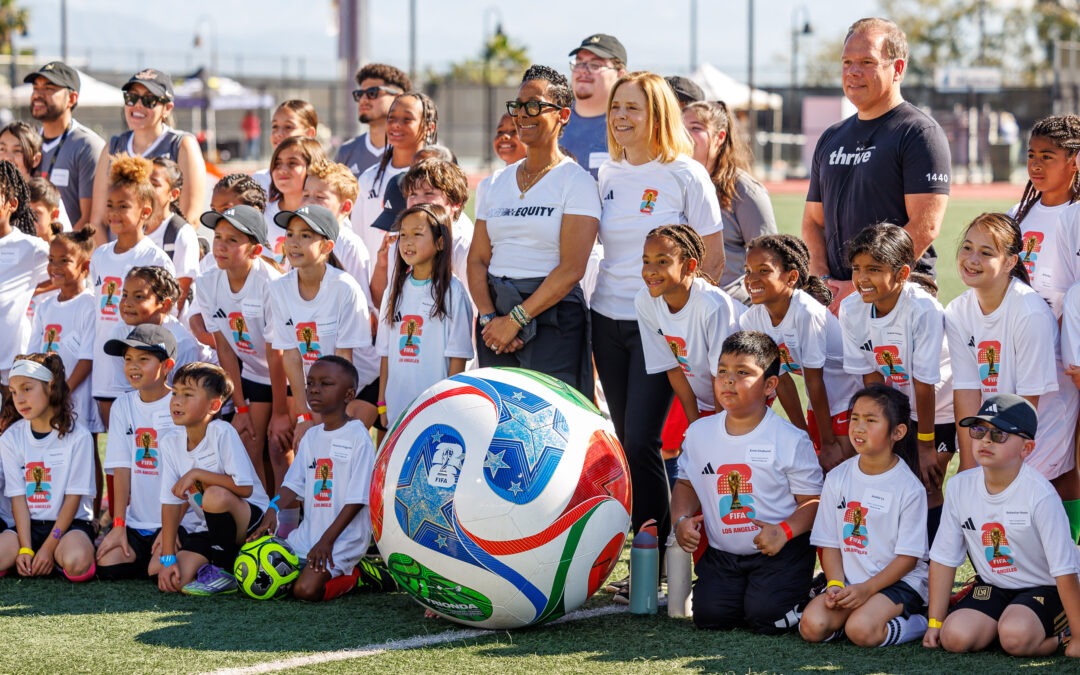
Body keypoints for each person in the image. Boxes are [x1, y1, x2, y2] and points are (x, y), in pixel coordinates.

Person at [592, 71, 725, 553]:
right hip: (605, 319)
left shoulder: (685, 173)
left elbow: (712, 260)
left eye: (633, 108)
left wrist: (680, 318)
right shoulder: (606, 173)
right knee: (625, 438)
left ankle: (659, 547)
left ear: (659, 115)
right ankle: (646, 545)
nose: (621, 117)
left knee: (642, 437)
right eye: (616, 107)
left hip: (659, 328)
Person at [671, 331, 823, 633]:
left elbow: (814, 502)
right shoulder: (699, 433)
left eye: (743, 373)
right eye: (723, 371)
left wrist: (783, 531)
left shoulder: (790, 439)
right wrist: (681, 520)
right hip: (723, 555)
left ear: (769, 385)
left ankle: (810, 591)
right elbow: (686, 484)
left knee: (768, 619)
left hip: (780, 551)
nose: (729, 380)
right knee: (711, 618)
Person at [945, 213, 1080, 540]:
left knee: (1024, 505)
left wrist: (1002, 451)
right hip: (997, 421)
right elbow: (966, 389)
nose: (971, 259)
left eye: (986, 252)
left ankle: (1065, 553)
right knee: (982, 490)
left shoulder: (1028, 311)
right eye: (967, 248)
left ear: (1010, 262)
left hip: (1041, 421)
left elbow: (1028, 402)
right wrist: (968, 461)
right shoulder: (958, 311)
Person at [802, 18, 951, 314]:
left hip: (897, 301)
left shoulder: (919, 133)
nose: (853, 71)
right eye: (847, 62)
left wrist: (863, 284)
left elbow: (925, 227)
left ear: (898, 68)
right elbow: (813, 222)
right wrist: (824, 283)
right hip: (836, 301)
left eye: (867, 62)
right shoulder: (831, 137)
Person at [468, 65, 599, 394]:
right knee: (500, 417)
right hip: (494, 318)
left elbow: (571, 268)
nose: (522, 114)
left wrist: (515, 320)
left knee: (549, 416)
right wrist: (490, 319)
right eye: (518, 105)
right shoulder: (494, 184)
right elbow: (477, 260)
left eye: (534, 105)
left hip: (552, 318)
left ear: (563, 115)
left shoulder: (577, 182)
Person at [923, 394, 1080, 658]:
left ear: (1026, 448)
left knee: (1015, 637)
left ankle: (1059, 635)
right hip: (993, 586)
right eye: (978, 430)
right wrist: (935, 623)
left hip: (1045, 586)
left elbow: (1064, 570)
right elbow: (943, 559)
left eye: (999, 434)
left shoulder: (1040, 494)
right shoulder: (960, 486)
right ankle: (1007, 623)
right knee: (954, 637)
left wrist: (1078, 636)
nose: (986, 440)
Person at [838, 224, 955, 542]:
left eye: (874, 269)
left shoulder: (923, 310)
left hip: (938, 409)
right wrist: (882, 428)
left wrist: (926, 446)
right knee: (890, 481)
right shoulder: (851, 309)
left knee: (927, 486)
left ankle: (931, 562)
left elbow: (924, 384)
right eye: (857, 268)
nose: (862, 278)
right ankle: (890, 555)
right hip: (898, 405)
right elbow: (872, 379)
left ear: (902, 273)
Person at [800, 384, 930, 647]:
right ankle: (849, 619)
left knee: (861, 631)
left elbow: (908, 559)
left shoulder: (909, 488)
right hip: (852, 582)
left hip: (899, 582)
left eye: (870, 420)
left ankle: (921, 621)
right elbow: (829, 543)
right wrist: (835, 584)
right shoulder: (837, 477)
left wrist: (867, 589)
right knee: (811, 626)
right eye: (855, 418)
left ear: (898, 432)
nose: (858, 428)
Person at [248, 356, 376, 601]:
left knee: (305, 590)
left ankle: (359, 575)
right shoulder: (312, 436)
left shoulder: (358, 437)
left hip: (342, 539)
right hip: (307, 537)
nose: (315, 389)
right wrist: (272, 510)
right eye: (311, 383)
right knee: (260, 576)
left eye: (326, 384)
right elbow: (293, 484)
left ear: (349, 395)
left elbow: (357, 500)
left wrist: (326, 541)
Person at [739, 234, 858, 472]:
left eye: (763, 270)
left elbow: (815, 381)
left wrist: (828, 443)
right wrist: (802, 437)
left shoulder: (806, 313)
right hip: (820, 405)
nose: (751, 279)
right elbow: (782, 382)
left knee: (841, 472)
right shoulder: (752, 318)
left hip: (849, 399)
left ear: (791, 277)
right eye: (748, 271)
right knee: (815, 469)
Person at [634, 224, 741, 487]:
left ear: (689, 266)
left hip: (740, 394)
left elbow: (723, 374)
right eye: (646, 261)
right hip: (706, 396)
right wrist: (696, 429)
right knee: (695, 462)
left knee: (729, 464)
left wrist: (718, 433)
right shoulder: (645, 301)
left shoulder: (711, 305)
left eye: (662, 261)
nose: (650, 270)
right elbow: (673, 367)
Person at [197, 205, 289, 495]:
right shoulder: (207, 283)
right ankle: (260, 512)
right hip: (253, 374)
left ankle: (288, 516)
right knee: (249, 444)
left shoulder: (272, 284)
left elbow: (278, 354)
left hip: (289, 376)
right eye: (218, 237)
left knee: (280, 446)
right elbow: (225, 349)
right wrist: (241, 408)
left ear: (256, 251)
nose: (220, 246)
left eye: (232, 240)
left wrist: (280, 413)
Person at [156, 362, 270, 595]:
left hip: (250, 521)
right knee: (174, 580)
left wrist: (197, 473)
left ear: (214, 405)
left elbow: (244, 488)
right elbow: (171, 502)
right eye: (175, 393)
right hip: (211, 526)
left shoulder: (222, 432)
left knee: (214, 496)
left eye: (188, 395)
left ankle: (223, 571)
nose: (177, 401)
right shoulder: (170, 442)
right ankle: (230, 559)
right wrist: (168, 558)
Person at [268, 205, 374, 444]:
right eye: (290, 234)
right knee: (303, 442)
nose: (294, 243)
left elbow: (345, 361)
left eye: (305, 235)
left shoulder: (345, 288)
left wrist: (330, 416)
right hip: (320, 381)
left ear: (327, 247)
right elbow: (291, 356)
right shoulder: (279, 288)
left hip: (361, 381)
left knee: (339, 444)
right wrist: (304, 415)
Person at [96, 325, 189, 579]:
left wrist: (171, 529)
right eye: (128, 359)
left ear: (167, 365)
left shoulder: (182, 405)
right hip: (137, 523)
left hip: (177, 520)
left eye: (143, 359)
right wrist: (119, 525)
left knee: (158, 570)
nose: (133, 366)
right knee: (107, 565)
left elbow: (189, 476)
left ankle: (174, 552)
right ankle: (145, 553)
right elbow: (121, 469)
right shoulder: (122, 405)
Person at [0, 354, 96, 581]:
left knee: (77, 561)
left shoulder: (79, 437)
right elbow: (18, 499)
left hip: (68, 526)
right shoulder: (11, 438)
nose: (19, 399)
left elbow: (72, 500)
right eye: (14, 392)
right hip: (27, 528)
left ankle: (55, 557)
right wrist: (26, 548)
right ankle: (25, 558)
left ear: (51, 386)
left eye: (27, 389)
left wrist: (48, 548)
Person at [377, 204, 474, 427]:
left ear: (440, 242)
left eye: (417, 234)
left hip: (435, 412)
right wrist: (382, 402)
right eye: (403, 235)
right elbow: (385, 353)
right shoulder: (393, 291)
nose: (407, 242)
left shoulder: (453, 292)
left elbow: (458, 358)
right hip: (397, 410)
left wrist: (450, 407)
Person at [90, 69, 206, 240]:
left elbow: (191, 218)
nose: (138, 105)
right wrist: (109, 255)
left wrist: (154, 253)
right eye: (131, 97)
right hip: (118, 252)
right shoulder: (113, 148)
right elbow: (98, 221)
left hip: (164, 252)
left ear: (167, 108)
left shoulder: (181, 145)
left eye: (149, 100)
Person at [683, 101, 777, 303]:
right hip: (682, 309)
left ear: (720, 137)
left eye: (696, 128)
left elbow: (769, 259)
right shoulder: (674, 184)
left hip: (732, 307)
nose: (685, 135)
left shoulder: (745, 191)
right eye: (681, 128)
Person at [352, 91, 438, 268]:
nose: (396, 124)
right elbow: (358, 238)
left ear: (429, 128)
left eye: (407, 119)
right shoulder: (368, 178)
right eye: (391, 118)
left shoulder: (436, 180)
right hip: (375, 281)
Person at [32, 228, 101, 443]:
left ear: (85, 267)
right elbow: (34, 355)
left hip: (77, 397)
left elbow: (87, 358)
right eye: (51, 260)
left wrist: (64, 391)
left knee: (85, 450)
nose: (55, 267)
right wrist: (44, 392)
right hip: (48, 397)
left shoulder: (90, 305)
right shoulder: (44, 307)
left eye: (64, 261)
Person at [1008, 115, 1080, 318]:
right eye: (1031, 155)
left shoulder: (1075, 218)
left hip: (1063, 333)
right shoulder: (1016, 214)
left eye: (1047, 157)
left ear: (1074, 161)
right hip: (1019, 328)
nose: (1035, 165)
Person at [24, 61, 106, 231]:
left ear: (72, 98)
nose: (38, 95)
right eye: (35, 88)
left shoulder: (87, 145)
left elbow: (90, 218)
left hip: (69, 246)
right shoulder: (27, 141)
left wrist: (57, 246)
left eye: (48, 89)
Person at [0, 161, 49, 387]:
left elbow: (65, 275)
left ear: (12, 204)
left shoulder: (31, 248)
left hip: (12, 365)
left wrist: (27, 290)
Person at [564, 34, 627, 178]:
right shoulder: (552, 120)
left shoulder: (630, 126)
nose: (583, 70)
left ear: (620, 75)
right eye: (579, 63)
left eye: (595, 65)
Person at [336, 64, 411, 179]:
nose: (363, 100)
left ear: (398, 98)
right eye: (359, 94)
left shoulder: (416, 153)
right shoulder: (346, 152)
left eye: (372, 93)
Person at [146, 158, 200, 318]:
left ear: (173, 194)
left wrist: (156, 324)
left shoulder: (182, 233)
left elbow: (179, 295)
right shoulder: (135, 227)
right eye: (144, 182)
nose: (147, 189)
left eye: (154, 184)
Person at [264, 137, 329, 269]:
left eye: (292, 163)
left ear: (312, 168)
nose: (282, 170)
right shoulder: (262, 216)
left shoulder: (327, 219)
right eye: (277, 163)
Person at [252, 100, 319, 196]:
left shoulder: (328, 182)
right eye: (275, 126)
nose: (278, 134)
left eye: (288, 127)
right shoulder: (260, 181)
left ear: (310, 133)